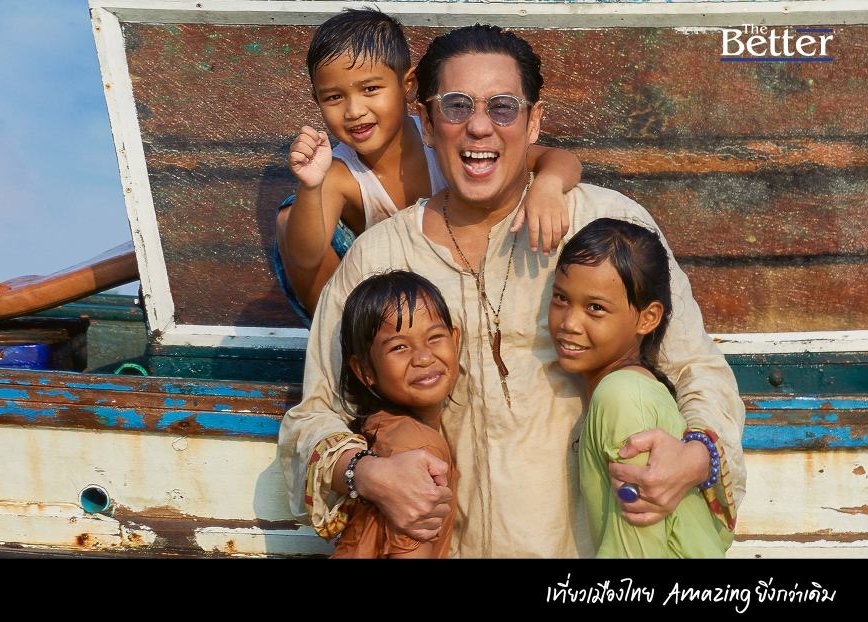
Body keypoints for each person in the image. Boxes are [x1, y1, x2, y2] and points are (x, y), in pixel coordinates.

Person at [278, 24, 745, 557]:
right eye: (456, 107)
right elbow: (314, 414)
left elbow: (696, 368)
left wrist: (695, 457)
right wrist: (366, 473)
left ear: (534, 121)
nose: (479, 127)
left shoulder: (603, 226)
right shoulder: (379, 258)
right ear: (426, 122)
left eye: (502, 108)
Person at [274, 8, 582, 321]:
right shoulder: (341, 174)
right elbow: (304, 258)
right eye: (334, 97)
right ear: (317, 100)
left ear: (408, 85)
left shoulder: (444, 134)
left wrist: (548, 183)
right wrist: (310, 186)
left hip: (455, 268)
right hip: (386, 296)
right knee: (290, 218)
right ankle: (344, 335)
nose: (354, 110)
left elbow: (559, 159)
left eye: (370, 89)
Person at [550, 218, 737, 558]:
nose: (569, 323)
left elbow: (637, 551)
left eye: (595, 308)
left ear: (648, 318)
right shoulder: (630, 390)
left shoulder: (621, 396)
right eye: (561, 298)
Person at [331, 270, 460, 558]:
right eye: (399, 347)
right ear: (364, 370)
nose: (423, 358)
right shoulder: (417, 448)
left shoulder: (382, 426)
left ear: (455, 340)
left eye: (434, 337)